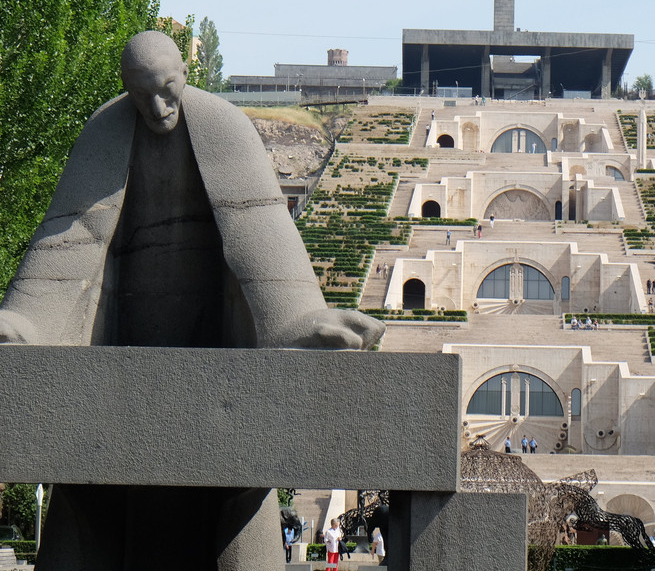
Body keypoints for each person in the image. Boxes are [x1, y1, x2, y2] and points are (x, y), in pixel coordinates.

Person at [0, 30, 385, 568]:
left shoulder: (225, 126)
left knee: (239, 511)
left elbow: (262, 230)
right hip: (118, 360)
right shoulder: (104, 132)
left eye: (168, 90)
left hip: (219, 353)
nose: (158, 107)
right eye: (142, 96)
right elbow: (71, 237)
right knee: (85, 515)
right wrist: (25, 321)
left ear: (184, 74)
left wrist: (300, 320)